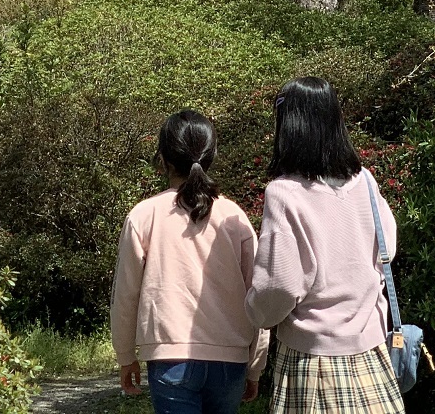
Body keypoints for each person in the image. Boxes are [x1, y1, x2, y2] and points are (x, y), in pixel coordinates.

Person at [246, 77, 404, 414]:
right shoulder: (365, 179)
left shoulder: (284, 193)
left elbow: (280, 286)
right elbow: (386, 247)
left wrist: (254, 312)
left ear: (289, 126)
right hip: (372, 353)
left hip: (313, 363)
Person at [112, 109, 269, 414]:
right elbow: (258, 295)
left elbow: (126, 295)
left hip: (170, 358)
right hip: (230, 360)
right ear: (210, 156)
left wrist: (125, 355)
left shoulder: (144, 215)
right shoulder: (235, 217)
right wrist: (255, 364)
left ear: (164, 159)